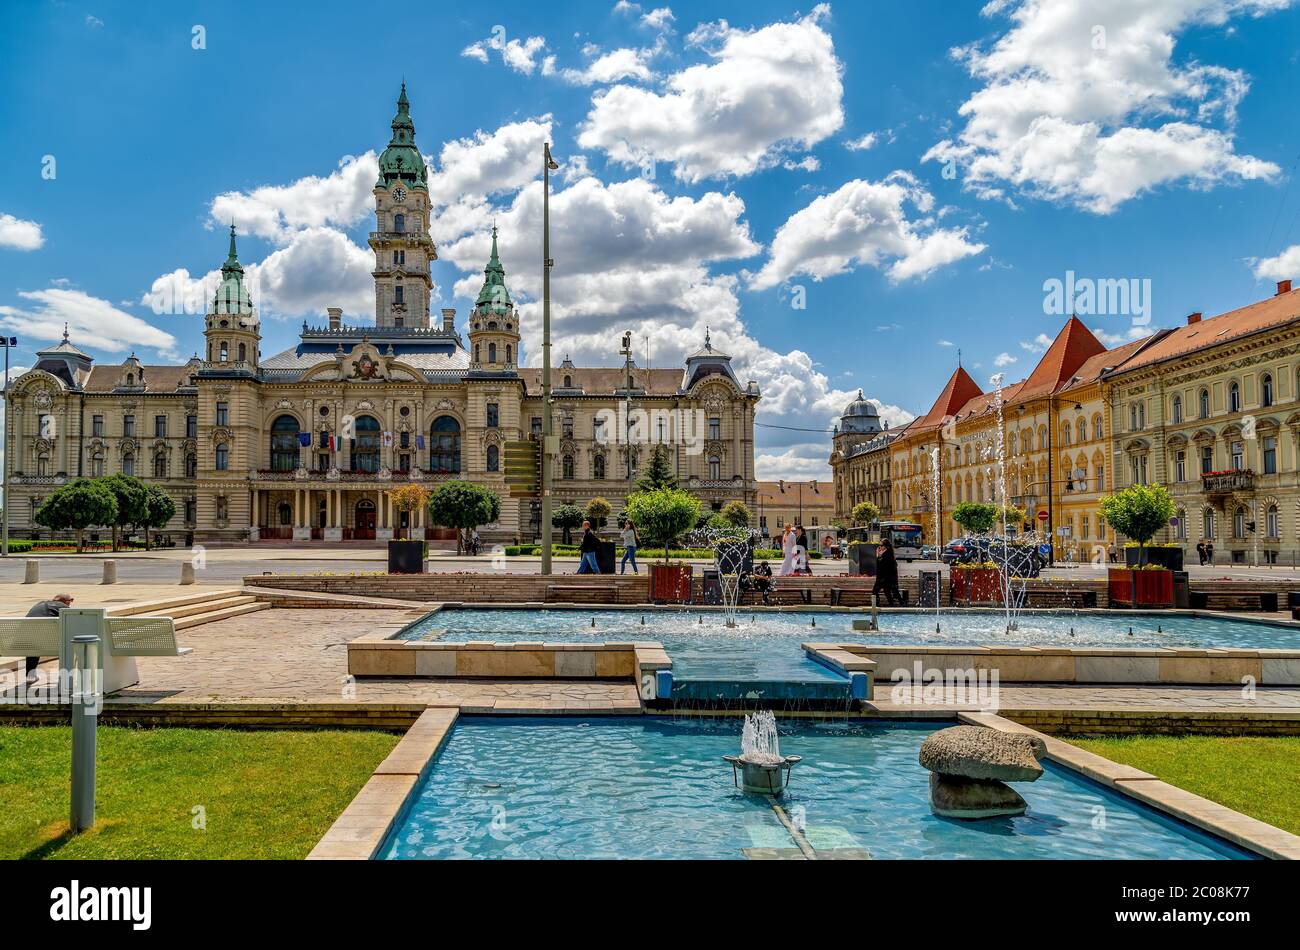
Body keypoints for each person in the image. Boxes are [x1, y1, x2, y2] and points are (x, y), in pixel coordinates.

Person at [24, 593, 74, 683]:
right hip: (48, 644)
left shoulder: (39, 604)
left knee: (34, 641)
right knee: (69, 643)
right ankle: (66, 678)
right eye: (71, 600)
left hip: (23, 642)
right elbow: (72, 623)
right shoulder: (63, 607)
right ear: (67, 601)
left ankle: (30, 675)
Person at [873, 539, 900, 607]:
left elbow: (881, 565)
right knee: (887, 592)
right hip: (884, 578)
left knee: (875, 592)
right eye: (879, 546)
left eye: (881, 545)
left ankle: (877, 605)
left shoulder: (887, 554)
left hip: (884, 578)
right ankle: (895, 604)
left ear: (886, 546)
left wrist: (878, 556)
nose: (880, 547)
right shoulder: (886, 553)